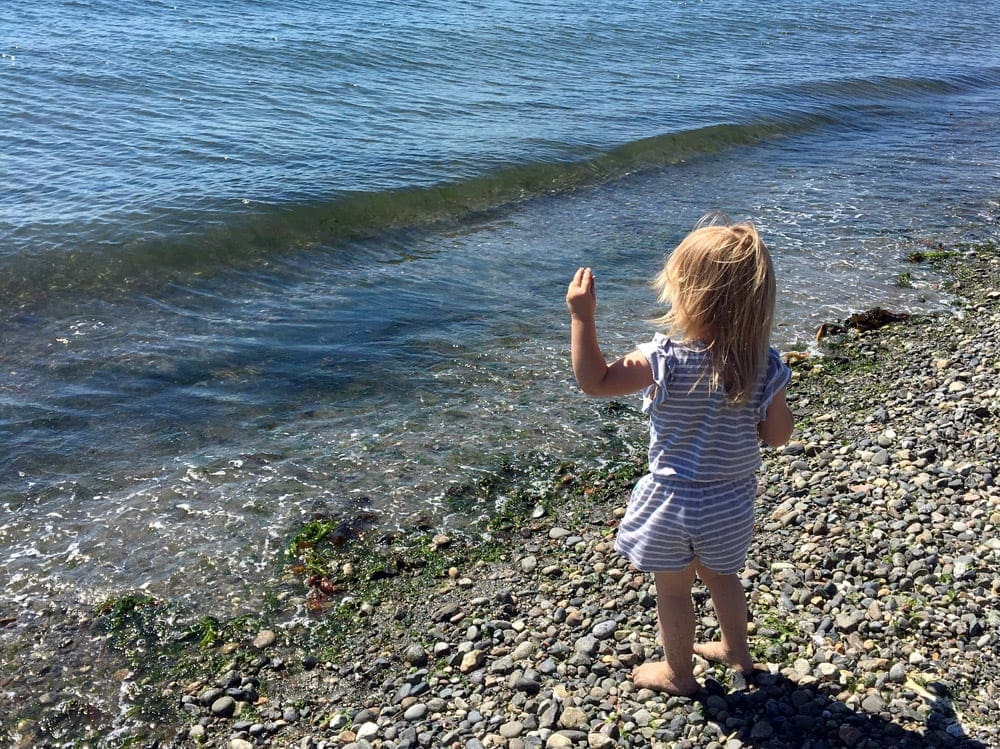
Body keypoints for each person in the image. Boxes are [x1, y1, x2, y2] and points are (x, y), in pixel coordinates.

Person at [565, 216, 794, 695]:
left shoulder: (663, 357)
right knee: (723, 578)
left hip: (671, 502)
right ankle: (737, 652)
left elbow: (596, 382)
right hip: (731, 502)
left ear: (686, 293)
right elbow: (776, 437)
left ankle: (678, 674)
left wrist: (582, 318)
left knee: (672, 590)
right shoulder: (763, 363)